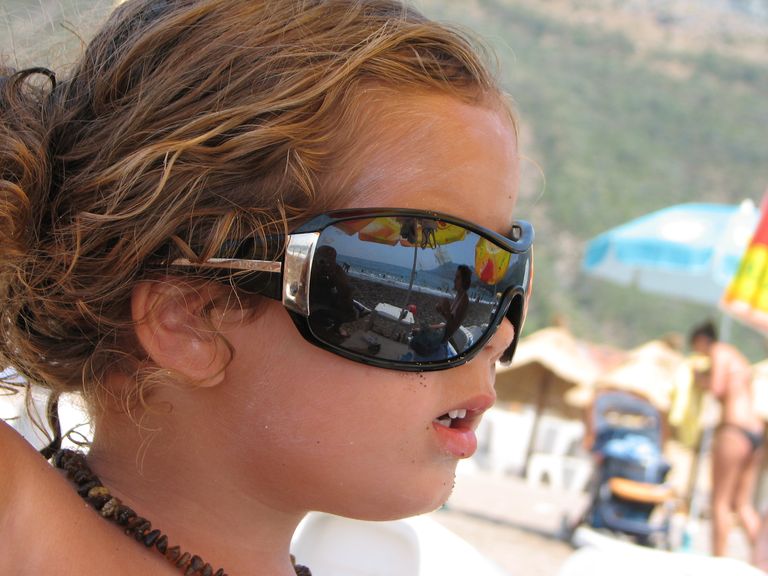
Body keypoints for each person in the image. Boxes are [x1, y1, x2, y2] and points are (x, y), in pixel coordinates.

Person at [0, 1, 533, 575]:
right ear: (189, 317)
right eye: (429, 273)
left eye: (506, 272)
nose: (500, 332)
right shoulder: (22, 527)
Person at [689, 320, 765, 558]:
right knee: (742, 504)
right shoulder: (739, 358)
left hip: (733, 429)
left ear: (702, 340)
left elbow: (717, 387)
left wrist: (699, 378)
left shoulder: (719, 351)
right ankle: (763, 559)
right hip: (755, 430)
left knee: (720, 501)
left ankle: (718, 561)